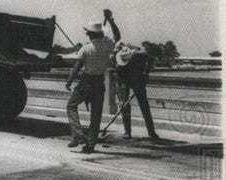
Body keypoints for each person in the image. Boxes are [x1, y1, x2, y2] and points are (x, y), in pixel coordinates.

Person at [102, 11, 160, 141]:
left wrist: (146, 74)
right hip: (123, 80)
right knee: (124, 105)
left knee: (144, 105)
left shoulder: (139, 55)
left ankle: (152, 132)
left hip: (139, 80)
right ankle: (127, 132)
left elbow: (152, 60)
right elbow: (116, 38)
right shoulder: (117, 58)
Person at [65, 19, 116, 153]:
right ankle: (90, 145)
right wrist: (110, 20)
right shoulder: (108, 46)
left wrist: (69, 81)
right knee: (96, 114)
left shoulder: (85, 48)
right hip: (99, 82)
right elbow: (117, 37)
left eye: (88, 33)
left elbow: (77, 67)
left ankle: (77, 135)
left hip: (86, 82)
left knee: (71, 106)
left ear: (91, 35)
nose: (87, 35)